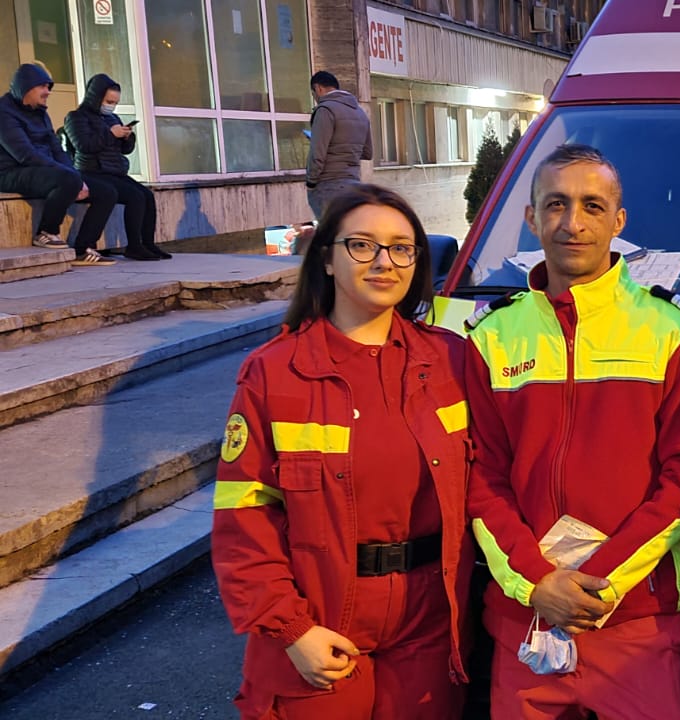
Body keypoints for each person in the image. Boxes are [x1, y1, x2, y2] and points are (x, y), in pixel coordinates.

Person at [211, 185, 475, 719]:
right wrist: (291, 629)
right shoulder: (275, 373)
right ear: (327, 259)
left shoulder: (453, 361)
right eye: (362, 245)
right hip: (320, 619)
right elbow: (244, 518)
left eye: (401, 248)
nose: (384, 261)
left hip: (430, 618)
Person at [462, 143, 680, 719]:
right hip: (528, 618)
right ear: (531, 217)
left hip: (636, 621)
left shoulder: (672, 330)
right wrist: (537, 583)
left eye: (592, 206)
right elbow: (479, 479)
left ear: (619, 222)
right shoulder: (491, 336)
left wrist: (599, 580)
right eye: (556, 204)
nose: (573, 223)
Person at [0, 63, 116, 265]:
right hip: (11, 172)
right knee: (68, 179)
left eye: (48, 87)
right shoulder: (4, 113)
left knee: (107, 192)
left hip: (43, 170)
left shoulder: (40, 113)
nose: (48, 92)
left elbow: (57, 149)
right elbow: (25, 155)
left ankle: (83, 249)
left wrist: (76, 175)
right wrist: (71, 178)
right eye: (42, 86)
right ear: (26, 87)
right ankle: (46, 232)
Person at [64, 73, 168, 261]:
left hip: (115, 171)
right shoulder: (76, 117)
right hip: (91, 171)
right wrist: (111, 134)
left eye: (115, 103)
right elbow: (84, 145)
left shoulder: (113, 118)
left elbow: (124, 150)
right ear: (96, 97)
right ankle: (134, 246)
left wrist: (127, 137)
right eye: (109, 101)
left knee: (146, 195)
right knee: (134, 197)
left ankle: (148, 243)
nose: (111, 106)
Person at [305, 71, 372, 224]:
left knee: (331, 233)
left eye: (314, 94)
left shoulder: (325, 110)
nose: (315, 98)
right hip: (353, 185)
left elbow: (317, 154)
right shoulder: (360, 113)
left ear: (318, 88)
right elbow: (368, 153)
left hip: (328, 185)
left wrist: (311, 183)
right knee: (348, 231)